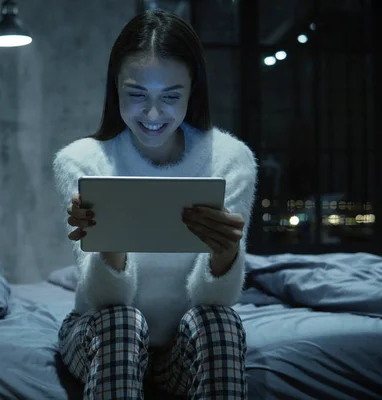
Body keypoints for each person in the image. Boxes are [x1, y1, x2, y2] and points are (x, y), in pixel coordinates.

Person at [52, 8, 257, 400]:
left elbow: (217, 302)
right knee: (122, 324)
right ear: (115, 89)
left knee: (221, 325)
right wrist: (109, 242)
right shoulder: (82, 161)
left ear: (193, 89)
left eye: (171, 97)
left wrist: (227, 252)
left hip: (184, 343)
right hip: (100, 331)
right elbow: (105, 301)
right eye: (136, 95)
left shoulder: (231, 159)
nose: (152, 114)